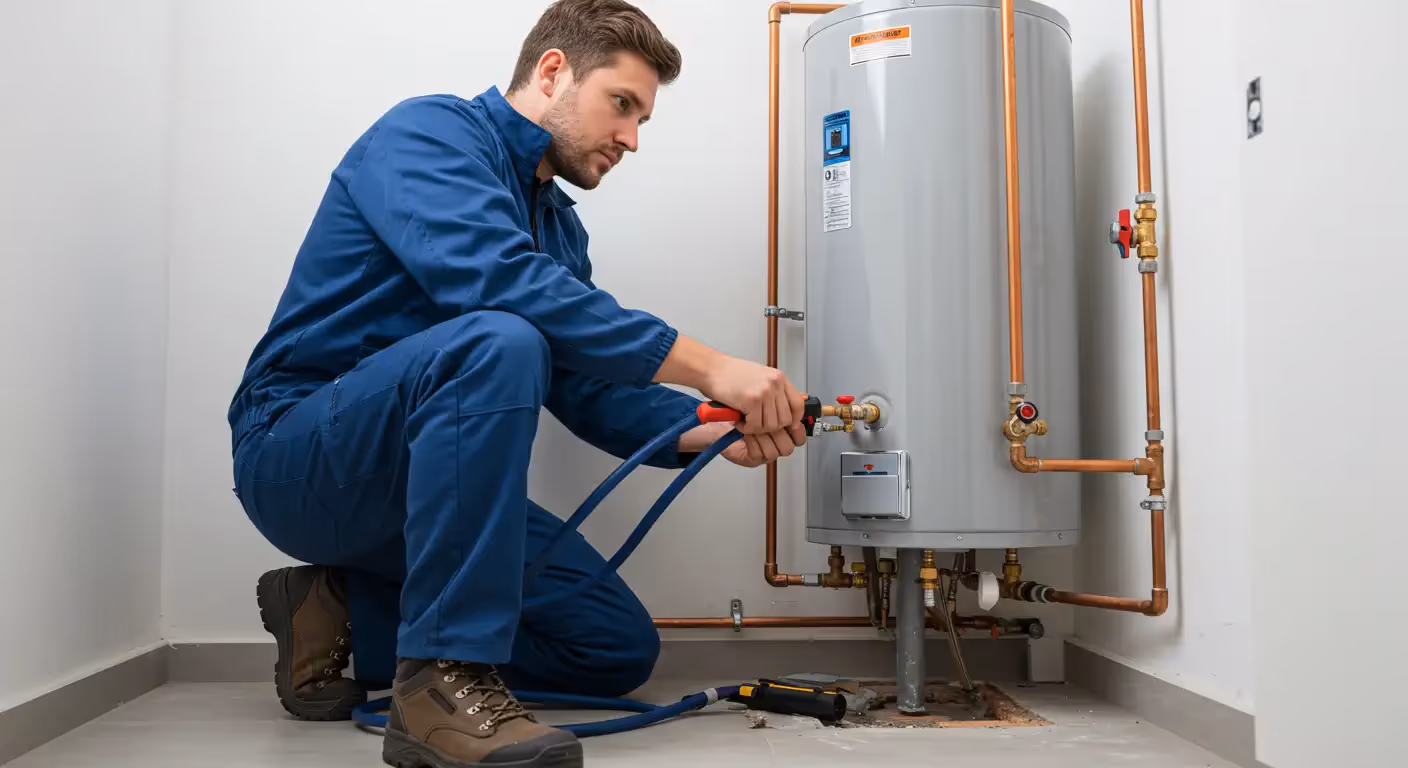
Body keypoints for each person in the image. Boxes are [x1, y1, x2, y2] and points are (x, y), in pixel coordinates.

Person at [227, 1, 805, 766]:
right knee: (501, 333)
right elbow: (499, 283)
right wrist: (713, 363)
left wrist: (710, 425)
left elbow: (586, 387)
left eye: (642, 119)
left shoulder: (559, 228)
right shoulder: (426, 134)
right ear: (553, 71)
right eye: (621, 105)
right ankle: (439, 684)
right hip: (301, 459)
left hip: (436, 490)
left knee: (612, 646)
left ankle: (337, 614)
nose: (631, 138)